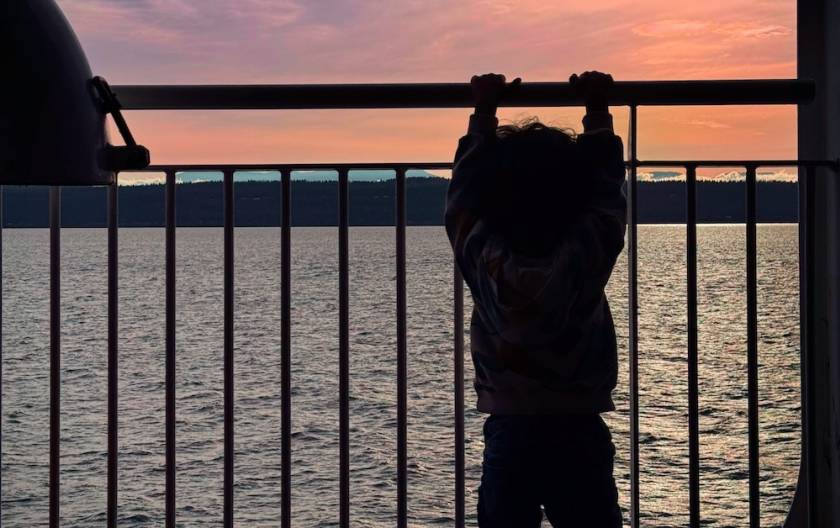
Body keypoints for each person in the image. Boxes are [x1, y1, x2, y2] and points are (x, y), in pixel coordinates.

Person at [445, 71, 627, 527]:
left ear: (495, 200)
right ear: (573, 197)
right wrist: (597, 111)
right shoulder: (586, 252)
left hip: (511, 426)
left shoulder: (483, 255)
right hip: (578, 424)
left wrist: (483, 113)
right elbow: (606, 194)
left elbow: (461, 201)